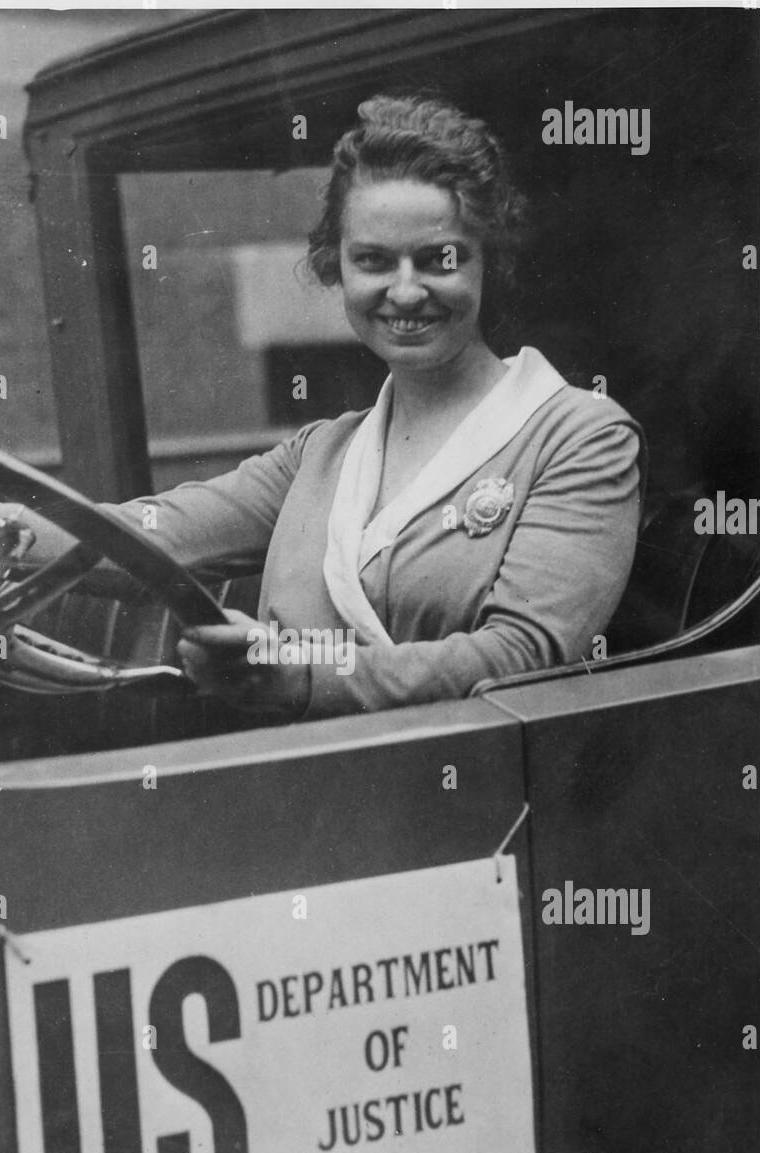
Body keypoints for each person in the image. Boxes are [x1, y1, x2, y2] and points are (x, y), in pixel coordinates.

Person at [106, 94, 644, 720]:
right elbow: (141, 534)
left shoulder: (580, 435)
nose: (406, 291)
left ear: (488, 263)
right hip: (301, 785)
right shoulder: (321, 455)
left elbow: (523, 656)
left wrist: (303, 675)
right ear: (336, 266)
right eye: (374, 261)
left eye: (439, 258)